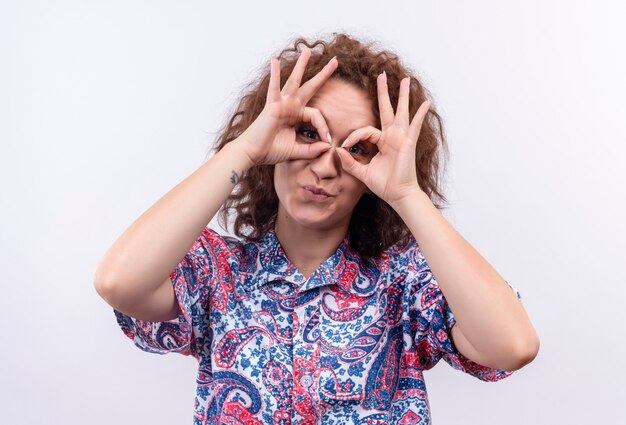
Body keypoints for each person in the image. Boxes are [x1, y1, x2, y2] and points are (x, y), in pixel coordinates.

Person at [94, 33, 539, 424]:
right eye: (308, 134)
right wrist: (246, 148)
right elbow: (119, 281)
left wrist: (407, 194)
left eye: (358, 149)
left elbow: (512, 345)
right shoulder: (217, 271)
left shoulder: (403, 282)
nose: (326, 167)